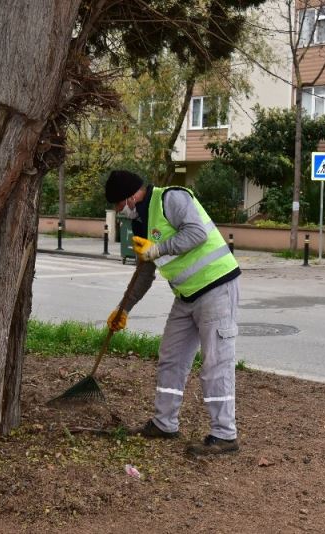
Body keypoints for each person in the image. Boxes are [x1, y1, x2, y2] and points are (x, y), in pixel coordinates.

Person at [105, 169, 241, 456]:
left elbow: (197, 233)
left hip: (216, 286)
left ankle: (224, 434)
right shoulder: (141, 223)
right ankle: (164, 423)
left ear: (130, 197)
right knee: (171, 357)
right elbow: (144, 273)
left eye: (118, 205)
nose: (119, 212)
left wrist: (158, 250)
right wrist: (123, 309)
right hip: (186, 295)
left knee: (216, 363)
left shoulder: (171, 198)